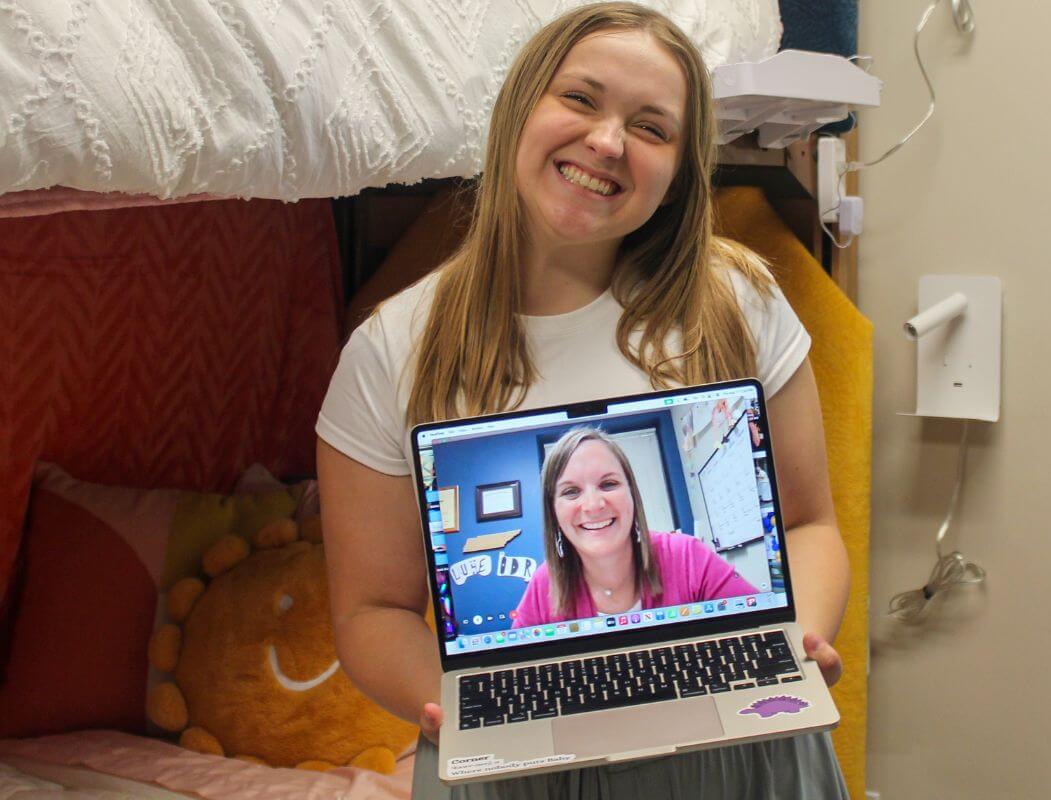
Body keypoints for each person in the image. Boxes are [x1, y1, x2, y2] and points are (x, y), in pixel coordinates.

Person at [316, 3, 850, 797]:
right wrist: (467, 713)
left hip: (740, 749)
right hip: (518, 773)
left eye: (651, 127)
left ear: (678, 174)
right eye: (579, 99)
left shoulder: (736, 301)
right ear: (517, 109)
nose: (606, 142)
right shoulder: (392, 351)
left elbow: (808, 527)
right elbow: (372, 611)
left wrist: (791, 649)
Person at [511, 426, 758, 627]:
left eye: (608, 484)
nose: (593, 505)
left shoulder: (687, 555)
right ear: (553, 511)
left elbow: (759, 623)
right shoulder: (544, 584)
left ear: (632, 494)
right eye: (571, 491)